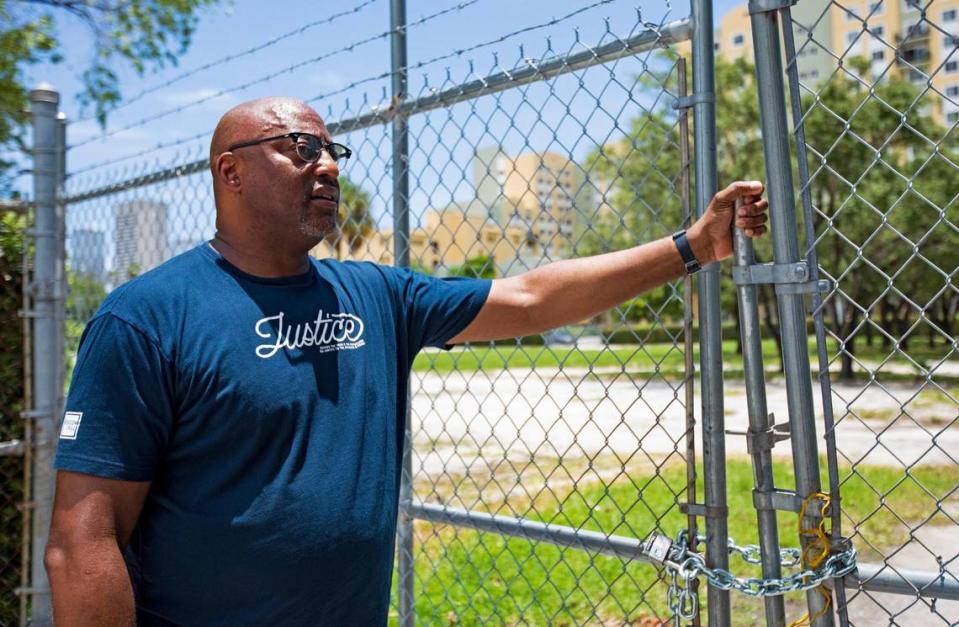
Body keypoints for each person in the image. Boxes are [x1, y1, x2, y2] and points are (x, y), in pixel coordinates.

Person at [45, 97, 768, 626]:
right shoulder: (145, 317)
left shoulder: (376, 294)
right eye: (300, 147)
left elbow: (528, 297)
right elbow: (83, 541)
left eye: (332, 150)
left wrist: (691, 248)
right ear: (229, 172)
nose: (326, 164)